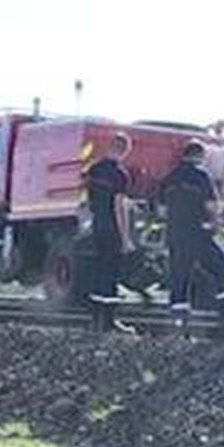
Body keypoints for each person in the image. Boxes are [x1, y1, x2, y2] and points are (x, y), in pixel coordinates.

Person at [159, 140, 224, 333]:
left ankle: (179, 323)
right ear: (200, 156)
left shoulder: (168, 178)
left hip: (175, 236)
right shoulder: (201, 176)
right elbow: (212, 206)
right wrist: (216, 223)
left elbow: (161, 211)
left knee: (180, 279)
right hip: (198, 235)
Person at [85, 132, 134, 334]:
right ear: (124, 150)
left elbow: (89, 200)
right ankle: (109, 321)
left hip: (97, 225)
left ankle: (95, 320)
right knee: (111, 273)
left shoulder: (94, 169)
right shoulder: (120, 175)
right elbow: (118, 206)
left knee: (98, 271)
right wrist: (126, 238)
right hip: (112, 228)